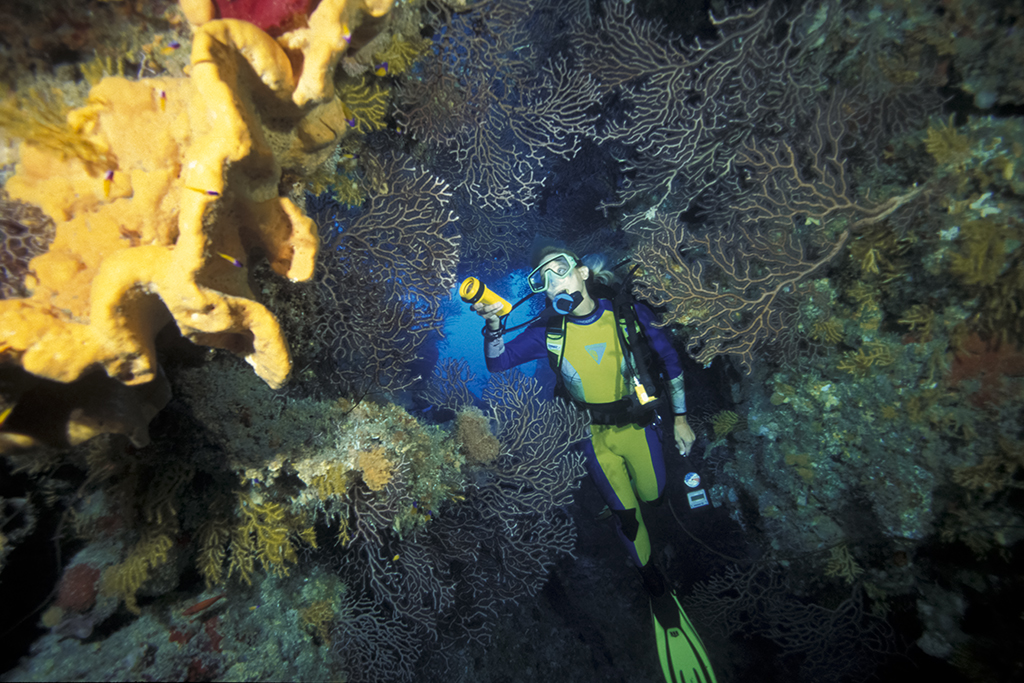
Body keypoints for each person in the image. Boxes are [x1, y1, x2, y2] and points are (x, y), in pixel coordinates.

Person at [473, 245, 717, 683]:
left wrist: (680, 418)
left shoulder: (626, 315)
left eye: (561, 272)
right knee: (627, 518)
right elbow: (497, 363)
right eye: (544, 281)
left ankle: (661, 531)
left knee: (654, 496)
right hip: (592, 437)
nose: (554, 284)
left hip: (639, 426)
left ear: (582, 273)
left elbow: (670, 362)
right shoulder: (548, 331)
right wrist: (493, 325)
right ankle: (653, 583)